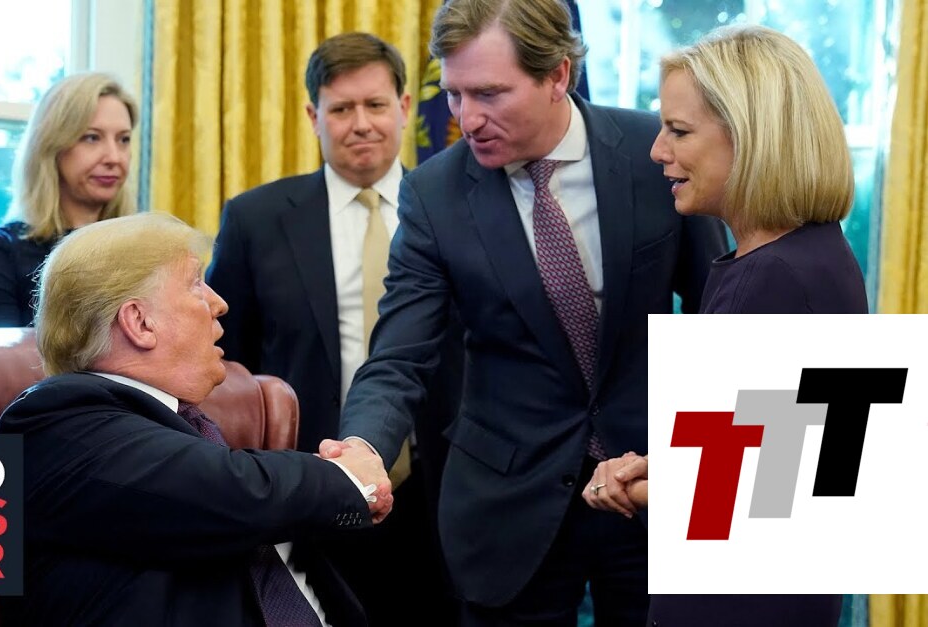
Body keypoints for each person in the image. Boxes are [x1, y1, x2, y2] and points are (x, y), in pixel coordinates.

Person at [320, 1, 728, 625]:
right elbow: (399, 354)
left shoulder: (655, 153)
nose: (467, 119)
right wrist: (362, 444)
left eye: (489, 93)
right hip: (508, 508)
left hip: (649, 487)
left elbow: (714, 316)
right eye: (454, 94)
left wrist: (706, 461)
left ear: (557, 74)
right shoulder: (434, 194)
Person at [585, 23, 862, 626]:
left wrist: (622, 486)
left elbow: (744, 495)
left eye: (679, 131)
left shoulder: (771, 277)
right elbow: (779, 457)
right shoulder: (811, 253)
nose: (657, 151)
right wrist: (665, 467)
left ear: (750, 135)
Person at [0, 212, 393, 626]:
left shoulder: (182, 427)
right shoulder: (52, 423)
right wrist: (349, 478)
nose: (220, 304)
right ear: (139, 322)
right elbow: (234, 492)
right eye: (196, 283)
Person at [206, 31, 461, 623]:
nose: (361, 124)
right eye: (342, 109)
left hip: (442, 486)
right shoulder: (256, 220)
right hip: (310, 486)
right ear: (313, 116)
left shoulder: (456, 211)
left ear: (404, 107)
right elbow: (225, 363)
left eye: (375, 105)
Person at [0, 72, 137, 328]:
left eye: (123, 139)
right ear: (51, 146)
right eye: (92, 137)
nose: (114, 157)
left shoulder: (145, 251)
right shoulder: (0, 251)